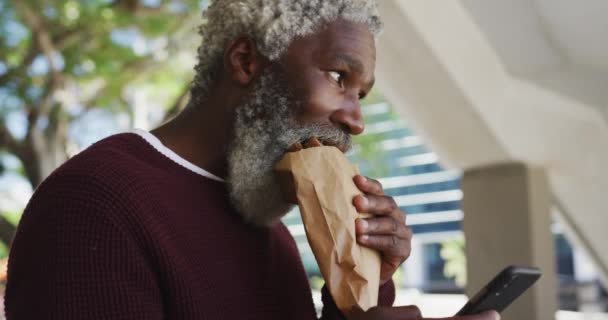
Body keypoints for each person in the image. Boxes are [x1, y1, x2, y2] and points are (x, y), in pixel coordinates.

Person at [4, 1, 499, 320]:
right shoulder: (95, 203)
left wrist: (367, 282)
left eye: (363, 94)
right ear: (246, 61)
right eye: (337, 76)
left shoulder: (267, 225)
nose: (356, 119)